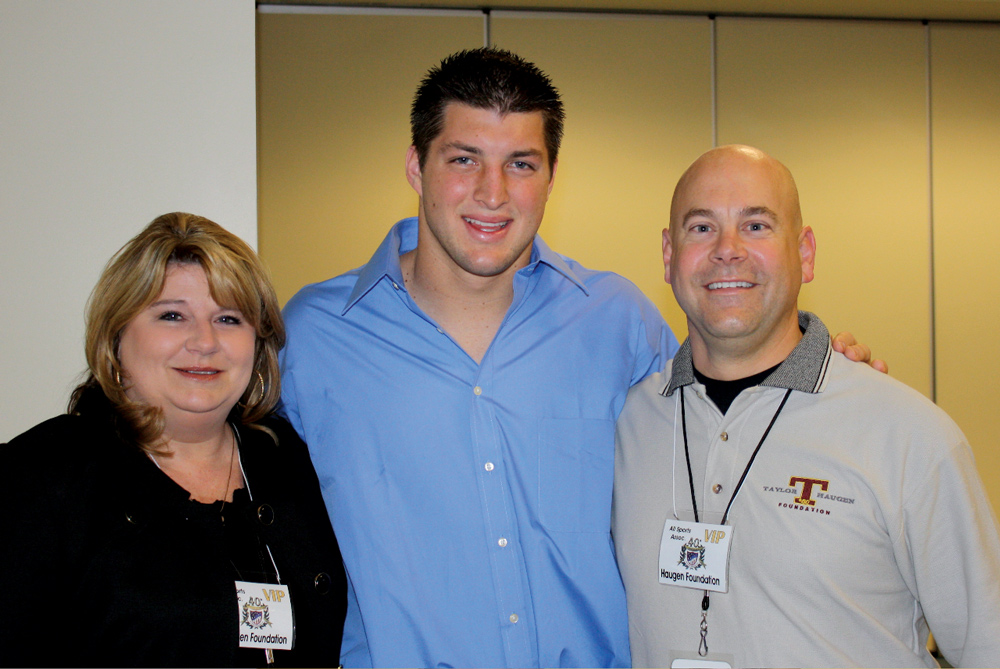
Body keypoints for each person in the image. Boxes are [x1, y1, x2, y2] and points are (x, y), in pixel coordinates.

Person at [280, 48, 877, 669]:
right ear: (415, 167)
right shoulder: (316, 336)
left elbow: (723, 426)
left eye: (521, 163)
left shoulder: (616, 320)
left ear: (551, 175)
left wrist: (817, 368)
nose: (492, 193)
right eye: (463, 160)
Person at [612, 145, 1000, 668]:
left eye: (756, 226)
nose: (727, 250)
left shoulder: (909, 435)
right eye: (701, 227)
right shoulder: (628, 423)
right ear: (668, 254)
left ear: (806, 252)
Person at [0, 213, 347, 667]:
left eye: (228, 318)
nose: (204, 341)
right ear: (117, 335)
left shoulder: (294, 461)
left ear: (258, 344)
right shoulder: (39, 479)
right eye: (172, 315)